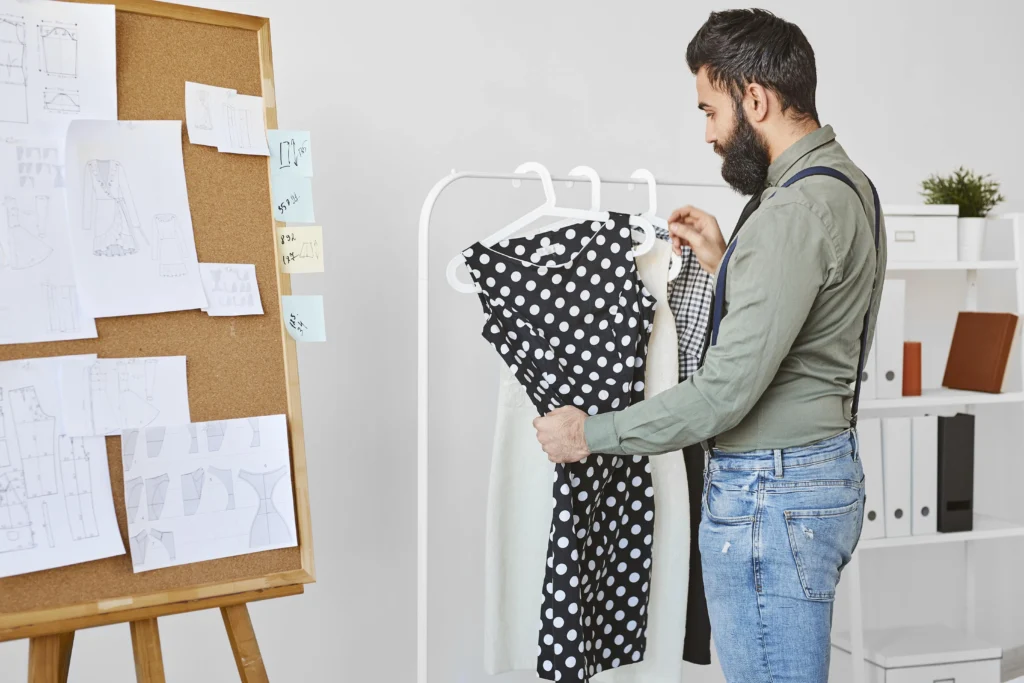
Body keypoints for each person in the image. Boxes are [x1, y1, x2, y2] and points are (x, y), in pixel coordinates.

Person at [532, 8, 887, 682]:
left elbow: (724, 392)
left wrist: (589, 433)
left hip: (769, 492)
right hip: (821, 470)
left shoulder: (790, 212)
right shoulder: (851, 188)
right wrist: (730, 263)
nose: (708, 135)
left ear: (755, 98)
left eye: (710, 110)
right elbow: (818, 325)